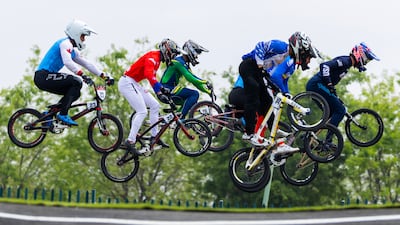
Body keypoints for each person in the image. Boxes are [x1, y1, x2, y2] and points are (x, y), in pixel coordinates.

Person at [239, 32, 318, 150]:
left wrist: (285, 91)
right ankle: (249, 133)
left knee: (267, 101)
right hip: (248, 66)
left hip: (259, 73)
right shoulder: (280, 46)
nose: (302, 56)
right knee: (254, 92)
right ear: (297, 47)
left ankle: (274, 130)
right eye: (302, 52)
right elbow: (260, 45)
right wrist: (260, 64)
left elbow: (280, 78)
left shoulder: (287, 57)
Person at [34, 19, 114, 126]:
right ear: (76, 33)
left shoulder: (73, 50)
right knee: (76, 81)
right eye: (83, 36)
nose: (84, 40)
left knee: (75, 93)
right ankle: (63, 114)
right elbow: (67, 62)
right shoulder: (65, 44)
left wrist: (104, 76)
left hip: (47, 77)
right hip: (43, 76)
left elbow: (87, 64)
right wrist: (82, 75)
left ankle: (49, 115)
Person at [118, 38, 183, 154]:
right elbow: (149, 75)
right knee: (142, 111)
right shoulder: (153, 57)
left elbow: (152, 78)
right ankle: (130, 141)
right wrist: (159, 92)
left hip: (133, 82)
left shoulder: (157, 60)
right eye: (172, 54)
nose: (172, 57)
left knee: (155, 105)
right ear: (166, 51)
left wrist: (161, 90)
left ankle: (155, 137)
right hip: (127, 83)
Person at [306, 42, 380, 143]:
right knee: (340, 110)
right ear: (360, 55)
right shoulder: (346, 61)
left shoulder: (347, 65)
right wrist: (329, 84)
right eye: (366, 59)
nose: (366, 62)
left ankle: (309, 134)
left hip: (318, 86)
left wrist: (334, 93)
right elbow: (325, 66)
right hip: (316, 85)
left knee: (332, 113)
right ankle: (328, 141)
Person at [160, 40, 211, 118]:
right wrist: (205, 82)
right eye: (196, 53)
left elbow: (195, 82)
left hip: (169, 90)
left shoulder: (184, 64)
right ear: (190, 51)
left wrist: (208, 92)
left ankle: (173, 119)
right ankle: (182, 119)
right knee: (194, 94)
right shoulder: (178, 61)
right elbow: (190, 78)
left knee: (191, 101)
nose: (196, 56)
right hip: (166, 89)